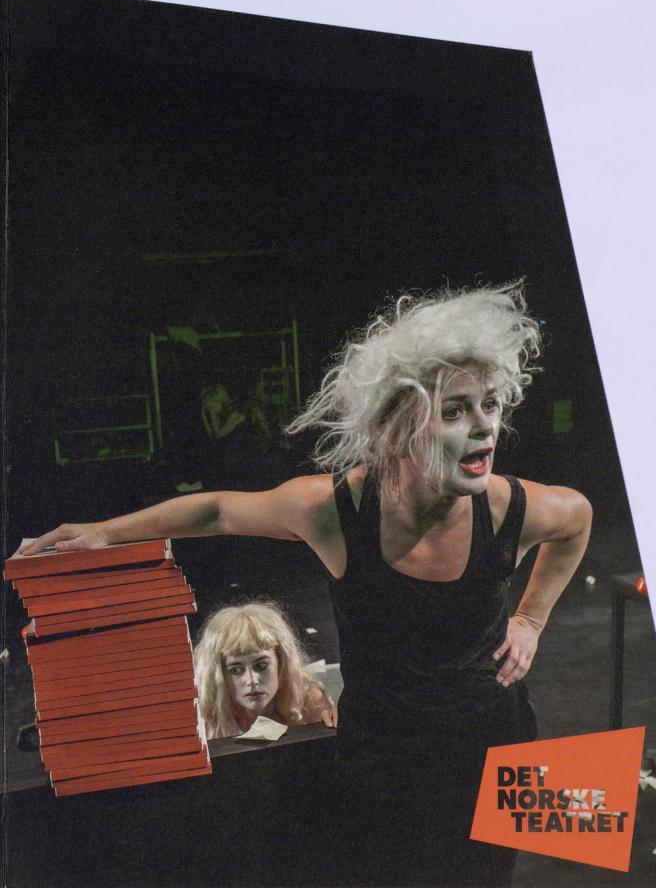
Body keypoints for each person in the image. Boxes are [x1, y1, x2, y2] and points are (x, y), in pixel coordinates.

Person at [22, 282, 592, 886]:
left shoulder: (509, 509)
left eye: (491, 405)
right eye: (454, 411)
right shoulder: (337, 511)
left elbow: (578, 518)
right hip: (383, 749)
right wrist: (105, 533)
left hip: (491, 740)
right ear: (398, 428)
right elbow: (217, 511)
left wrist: (530, 620)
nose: (484, 428)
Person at [192, 601, 337, 738]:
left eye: (261, 665)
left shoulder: (308, 700)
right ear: (219, 674)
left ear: (281, 661)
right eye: (236, 670)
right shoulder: (204, 713)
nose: (251, 681)